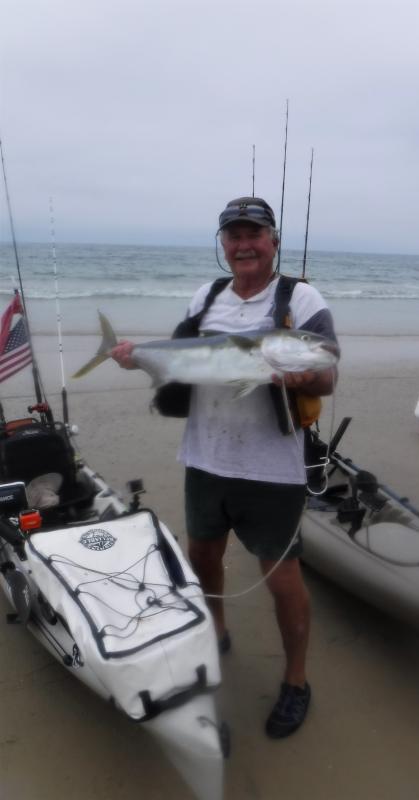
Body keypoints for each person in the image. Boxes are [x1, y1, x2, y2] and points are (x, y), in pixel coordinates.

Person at [112, 196, 339, 739]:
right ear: (223, 245)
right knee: (202, 553)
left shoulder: (299, 299)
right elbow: (179, 356)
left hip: (272, 470)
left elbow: (327, 369)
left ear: (273, 240)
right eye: (233, 236)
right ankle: (216, 631)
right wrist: (135, 355)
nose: (243, 245)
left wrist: (299, 375)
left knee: (281, 579)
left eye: (254, 234)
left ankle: (296, 681)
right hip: (206, 458)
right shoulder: (206, 295)